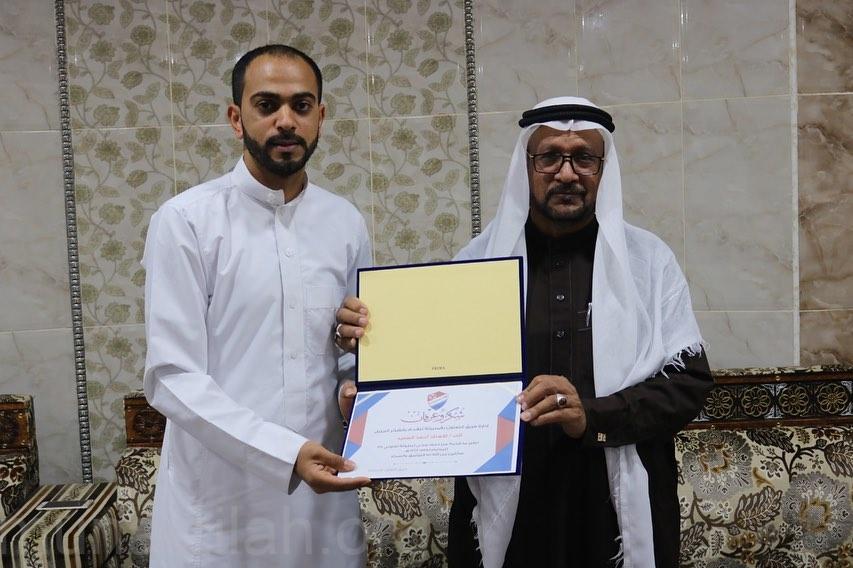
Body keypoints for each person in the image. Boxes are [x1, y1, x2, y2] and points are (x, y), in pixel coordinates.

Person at [335, 96, 714, 567]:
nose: (567, 173)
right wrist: (373, 382)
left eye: (584, 158)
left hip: (613, 499)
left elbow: (688, 382)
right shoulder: (477, 263)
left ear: (603, 169)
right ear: (526, 164)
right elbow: (436, 377)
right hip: (507, 498)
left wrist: (591, 416)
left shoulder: (648, 262)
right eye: (550, 157)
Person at [142, 44, 372, 567]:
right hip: (220, 505)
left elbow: (349, 352)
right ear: (236, 118)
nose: (286, 120)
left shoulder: (345, 222)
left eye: (301, 106)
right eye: (267, 105)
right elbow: (172, 376)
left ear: (321, 117)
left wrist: (353, 385)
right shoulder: (186, 222)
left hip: (321, 503)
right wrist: (285, 453)